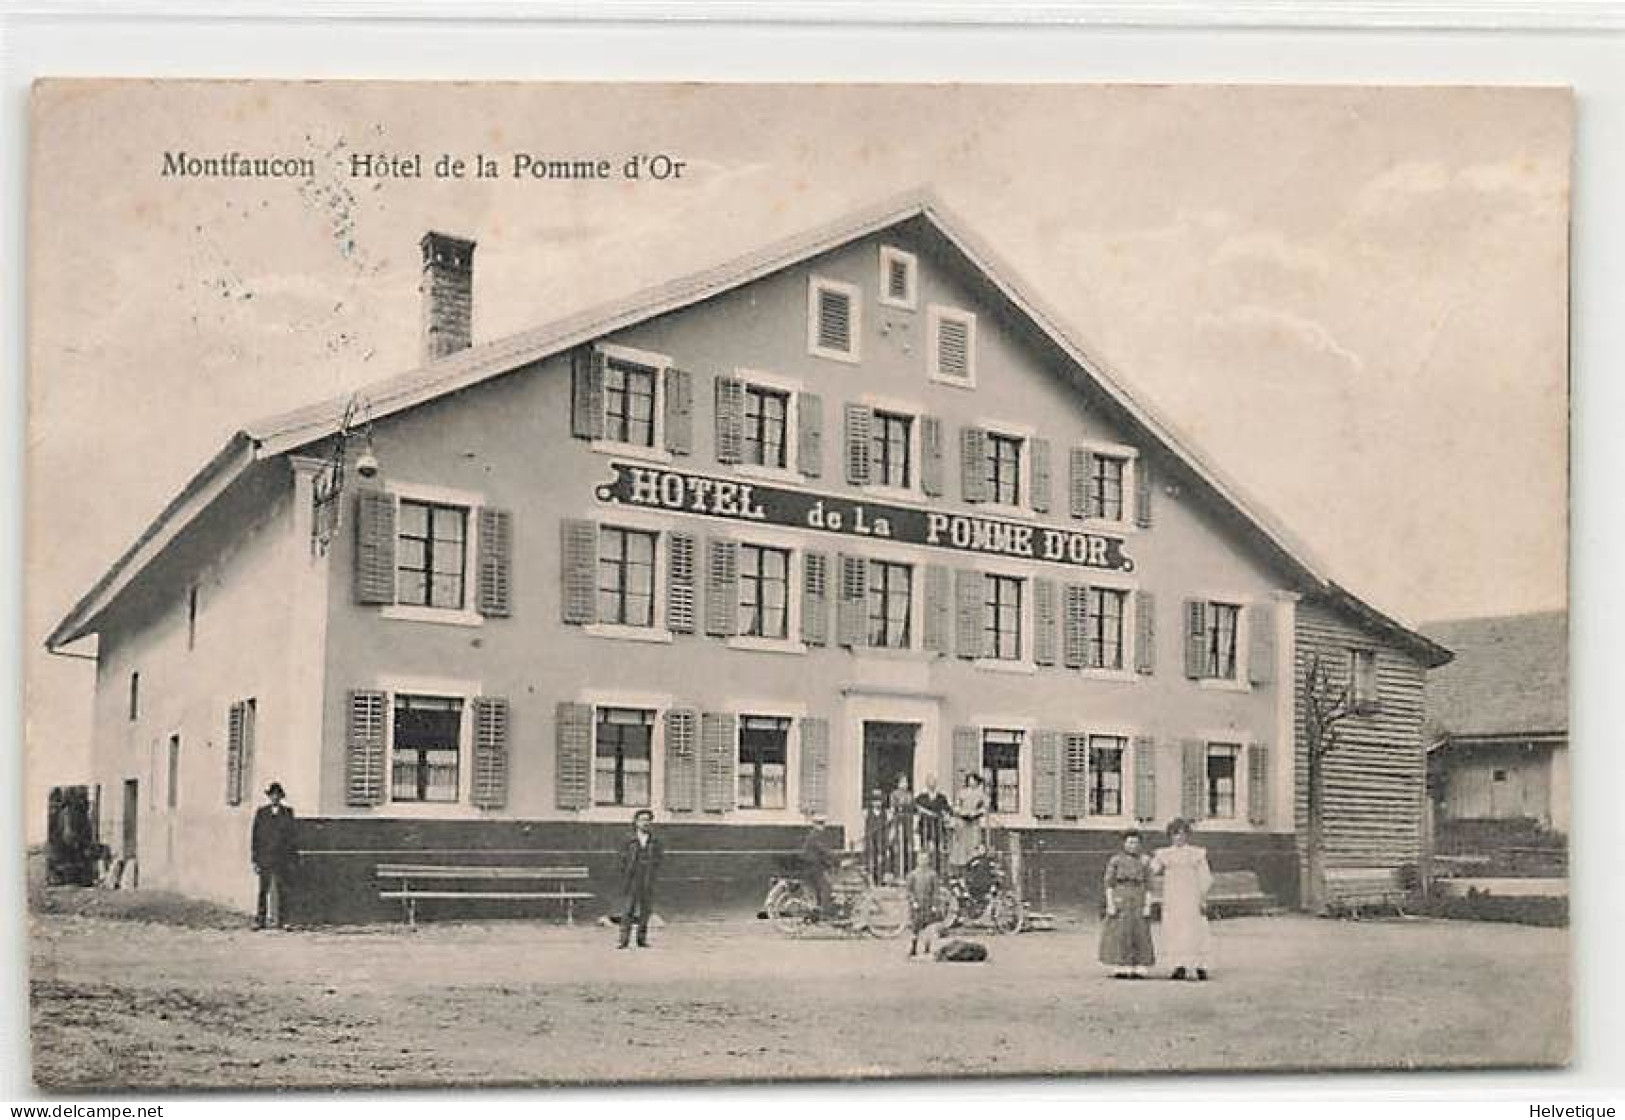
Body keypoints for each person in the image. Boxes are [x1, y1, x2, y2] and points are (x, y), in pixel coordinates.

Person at [1150, 817, 1214, 980]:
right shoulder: (1165, 854)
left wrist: (1202, 897)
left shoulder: (1196, 854)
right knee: (1174, 930)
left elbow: (1205, 877)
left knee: (1194, 930)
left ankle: (1200, 965)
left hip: (1191, 896)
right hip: (1173, 897)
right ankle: (1179, 965)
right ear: (1170, 836)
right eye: (1175, 834)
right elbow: (1152, 870)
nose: (1178, 837)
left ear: (1187, 835)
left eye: (1182, 834)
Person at [1099, 830, 1156, 979]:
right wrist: (1110, 903)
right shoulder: (1115, 860)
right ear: (1124, 844)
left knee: (1140, 931)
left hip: (1139, 896)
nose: (1133, 846)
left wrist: (1148, 905)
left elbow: (1150, 885)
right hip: (1121, 895)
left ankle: (1139, 965)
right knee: (1121, 931)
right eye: (1129, 842)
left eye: (1136, 842)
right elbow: (1109, 884)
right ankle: (1122, 965)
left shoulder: (1145, 861)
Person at [250, 781, 299, 930]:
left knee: (283, 889)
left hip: (282, 858)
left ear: (281, 797)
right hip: (265, 857)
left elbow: (292, 837)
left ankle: (284, 921)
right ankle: (260, 919)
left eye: (277, 795)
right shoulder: (262, 813)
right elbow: (255, 837)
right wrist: (255, 859)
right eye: (272, 795)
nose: (275, 798)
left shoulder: (287, 813)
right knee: (263, 890)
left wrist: (292, 858)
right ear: (269, 797)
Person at [617, 808, 664, 948]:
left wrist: (653, 873)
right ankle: (624, 940)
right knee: (628, 910)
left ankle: (641, 940)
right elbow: (621, 858)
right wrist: (625, 874)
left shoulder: (655, 841)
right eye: (642, 820)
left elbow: (659, 859)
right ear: (636, 822)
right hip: (632, 878)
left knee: (645, 910)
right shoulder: (628, 840)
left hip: (648, 878)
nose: (645, 823)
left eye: (648, 820)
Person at [800, 815, 839, 919]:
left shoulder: (817, 835)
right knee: (827, 888)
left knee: (820, 889)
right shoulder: (814, 836)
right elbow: (823, 850)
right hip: (812, 867)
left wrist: (831, 861)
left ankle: (818, 911)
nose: (821, 826)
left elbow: (823, 851)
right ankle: (824, 914)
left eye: (822, 823)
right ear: (814, 824)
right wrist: (835, 857)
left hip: (816, 866)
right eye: (819, 823)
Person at [913, 776, 952, 874]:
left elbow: (947, 809)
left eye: (933, 782)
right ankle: (923, 869)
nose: (932, 784)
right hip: (925, 826)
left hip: (937, 825)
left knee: (938, 848)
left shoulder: (941, 797)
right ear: (926, 784)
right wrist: (925, 812)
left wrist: (945, 816)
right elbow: (915, 807)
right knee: (924, 848)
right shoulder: (921, 797)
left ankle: (937, 870)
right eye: (930, 782)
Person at [904, 858, 941, 959]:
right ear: (918, 861)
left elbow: (936, 891)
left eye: (925, 859)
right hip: (917, 905)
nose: (923, 861)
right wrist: (913, 902)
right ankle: (913, 948)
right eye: (921, 859)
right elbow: (908, 891)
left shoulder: (932, 875)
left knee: (928, 928)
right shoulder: (913, 875)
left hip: (928, 904)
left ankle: (927, 948)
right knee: (915, 928)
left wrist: (934, 905)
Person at [949, 772, 987, 868]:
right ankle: (961, 862)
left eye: (973, 780)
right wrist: (960, 812)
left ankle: (972, 860)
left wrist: (977, 812)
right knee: (961, 842)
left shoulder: (981, 794)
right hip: (963, 821)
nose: (971, 782)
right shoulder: (962, 792)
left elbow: (984, 807)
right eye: (970, 780)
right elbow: (957, 805)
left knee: (974, 841)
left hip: (974, 822)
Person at [888, 776, 915, 879]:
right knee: (896, 845)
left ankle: (907, 871)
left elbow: (912, 807)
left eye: (906, 782)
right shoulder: (894, 794)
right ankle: (896, 871)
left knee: (908, 845)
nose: (905, 784)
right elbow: (893, 807)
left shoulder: (909, 795)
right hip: (897, 821)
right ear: (899, 783)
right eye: (903, 782)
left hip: (908, 822)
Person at [863, 789, 889, 883]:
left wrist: (886, 839)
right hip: (872, 839)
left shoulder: (883, 813)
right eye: (875, 801)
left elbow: (886, 826)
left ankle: (880, 877)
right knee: (872, 858)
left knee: (882, 858)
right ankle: (871, 878)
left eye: (879, 801)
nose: (878, 803)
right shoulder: (869, 813)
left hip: (881, 839)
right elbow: (867, 828)